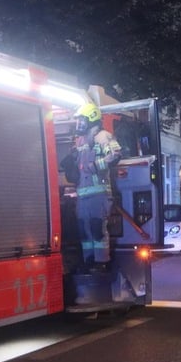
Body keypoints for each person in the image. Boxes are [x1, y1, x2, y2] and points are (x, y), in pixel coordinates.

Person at [70, 102, 121, 269]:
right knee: (84, 231)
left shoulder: (103, 136)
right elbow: (76, 163)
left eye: (82, 120)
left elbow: (115, 154)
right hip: (82, 196)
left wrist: (97, 165)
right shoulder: (79, 141)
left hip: (99, 194)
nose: (79, 124)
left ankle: (101, 263)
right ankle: (89, 261)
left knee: (97, 229)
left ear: (91, 119)